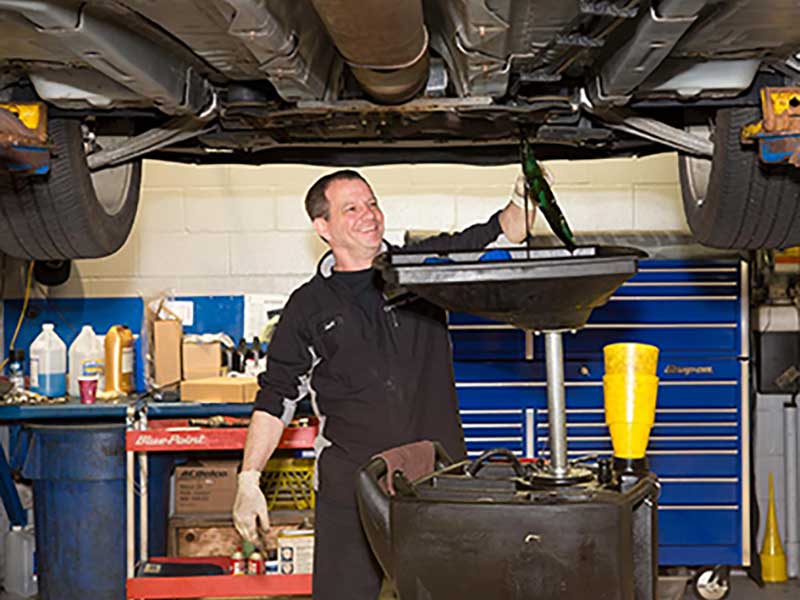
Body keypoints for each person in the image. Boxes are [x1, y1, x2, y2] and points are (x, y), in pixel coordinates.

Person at [233, 169, 534, 600]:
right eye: (351, 208)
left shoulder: (419, 268)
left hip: (437, 476)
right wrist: (248, 478)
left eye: (372, 203)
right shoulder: (307, 306)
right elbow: (275, 395)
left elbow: (500, 234)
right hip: (353, 485)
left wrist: (524, 197)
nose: (369, 215)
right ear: (323, 227)